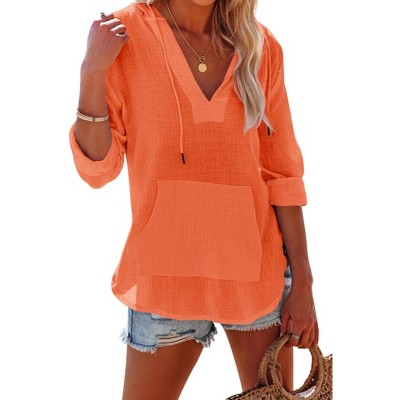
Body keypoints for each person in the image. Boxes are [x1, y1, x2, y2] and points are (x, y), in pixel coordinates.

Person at [69, 0, 319, 399]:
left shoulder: (259, 45)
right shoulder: (124, 35)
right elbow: (98, 169)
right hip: (164, 280)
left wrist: (303, 282)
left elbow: (282, 174)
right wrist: (92, 71)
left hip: (256, 277)